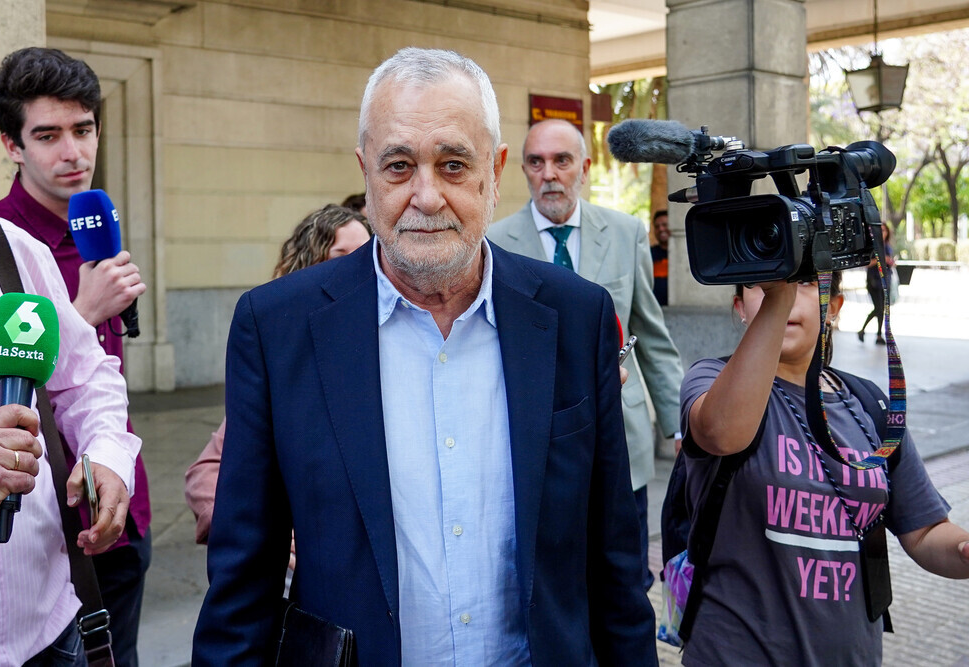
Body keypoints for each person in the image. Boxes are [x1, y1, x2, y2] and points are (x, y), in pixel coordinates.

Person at [192, 47, 657, 666]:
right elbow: (243, 578)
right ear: (366, 174)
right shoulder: (278, 327)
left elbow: (615, 565)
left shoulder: (576, 317)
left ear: (493, 172)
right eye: (399, 165)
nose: (426, 195)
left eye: (453, 164)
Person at [678, 273, 969, 666]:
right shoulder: (709, 380)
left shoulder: (869, 406)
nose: (781, 293)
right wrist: (778, 301)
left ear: (833, 307)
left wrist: (962, 550)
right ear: (739, 309)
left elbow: (925, 532)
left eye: (804, 282)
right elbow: (722, 433)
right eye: (760, 283)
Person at [0, 46, 152, 667]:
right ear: (13, 145)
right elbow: (10, 378)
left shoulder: (96, 223)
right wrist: (80, 312)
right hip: (42, 533)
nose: (73, 153)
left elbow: (97, 380)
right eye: (48, 135)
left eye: (83, 130)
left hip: (124, 509)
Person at [488, 118, 683, 592]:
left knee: (626, 577)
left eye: (561, 161)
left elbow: (650, 336)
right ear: (523, 170)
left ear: (585, 167)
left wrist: (680, 424)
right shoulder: (492, 243)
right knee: (554, 581)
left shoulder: (625, 232)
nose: (548, 173)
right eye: (536, 162)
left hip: (622, 435)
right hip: (537, 444)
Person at [184, 204, 371, 545]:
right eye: (339, 257)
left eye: (365, 257)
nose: (356, 270)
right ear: (308, 267)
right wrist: (265, 543)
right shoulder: (286, 358)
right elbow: (207, 475)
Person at [858, 224, 895, 345]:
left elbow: (890, 262)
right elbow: (867, 263)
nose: (882, 233)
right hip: (874, 282)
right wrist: (881, 259)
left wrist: (890, 261)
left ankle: (878, 335)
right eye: (881, 230)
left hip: (885, 281)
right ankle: (863, 330)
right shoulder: (872, 247)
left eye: (884, 230)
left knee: (881, 309)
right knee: (878, 308)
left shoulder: (887, 246)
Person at [650, 209, 670, 306]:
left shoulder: (683, 255)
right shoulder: (649, 254)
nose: (661, 229)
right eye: (657, 227)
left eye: (665, 225)